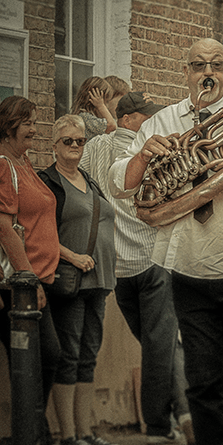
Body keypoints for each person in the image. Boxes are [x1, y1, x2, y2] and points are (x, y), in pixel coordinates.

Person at [108, 38, 223, 445]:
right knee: (202, 377)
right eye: (198, 65)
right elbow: (121, 186)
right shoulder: (162, 121)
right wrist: (142, 158)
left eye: (216, 65)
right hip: (188, 266)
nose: (207, 72)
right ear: (187, 74)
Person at [79, 92, 194, 444]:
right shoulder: (146, 152)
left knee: (156, 345)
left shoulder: (94, 148)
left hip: (118, 266)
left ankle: (185, 416)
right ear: (129, 119)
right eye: (146, 117)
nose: (152, 123)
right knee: (161, 345)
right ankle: (159, 426)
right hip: (152, 256)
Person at [38, 115, 117, 445]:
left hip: (99, 280)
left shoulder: (90, 179)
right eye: (67, 141)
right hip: (70, 280)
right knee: (69, 356)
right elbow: (36, 235)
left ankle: (86, 431)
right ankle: (68, 435)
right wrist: (72, 256)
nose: (74, 146)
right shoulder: (48, 182)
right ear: (54, 145)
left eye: (79, 141)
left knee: (88, 357)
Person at [0, 95, 62, 445]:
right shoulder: (3, 164)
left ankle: (34, 431)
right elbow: (4, 228)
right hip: (17, 284)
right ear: (9, 126)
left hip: (37, 278)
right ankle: (30, 432)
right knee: (42, 355)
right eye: (29, 123)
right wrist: (28, 280)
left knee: (40, 358)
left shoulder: (22, 162)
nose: (35, 130)